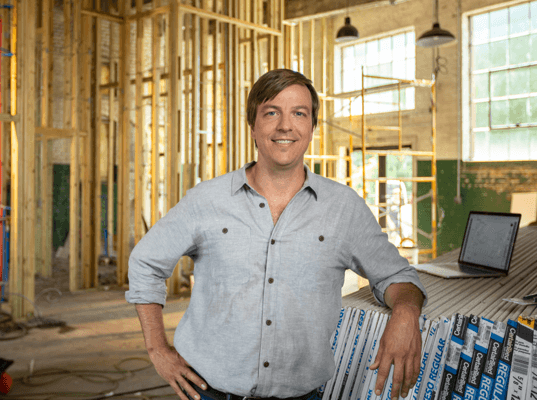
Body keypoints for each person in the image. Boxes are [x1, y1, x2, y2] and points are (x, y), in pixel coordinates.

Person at [125, 69, 426, 400]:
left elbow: (398, 276)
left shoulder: (343, 209)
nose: (286, 125)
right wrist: (157, 349)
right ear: (253, 127)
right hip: (207, 392)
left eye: (299, 113)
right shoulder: (208, 200)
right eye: (272, 113)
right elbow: (146, 262)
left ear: (312, 128)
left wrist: (406, 313)